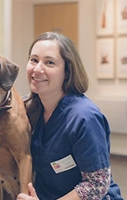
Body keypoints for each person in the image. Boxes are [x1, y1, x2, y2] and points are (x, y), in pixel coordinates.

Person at [17, 32, 124, 200]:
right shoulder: (27, 110)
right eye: (34, 60)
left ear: (67, 71)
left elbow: (97, 185)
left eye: (49, 62)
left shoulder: (84, 117)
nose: (37, 69)